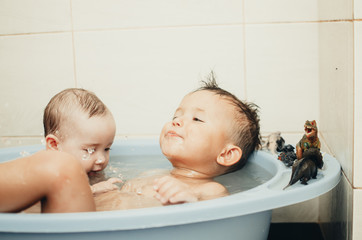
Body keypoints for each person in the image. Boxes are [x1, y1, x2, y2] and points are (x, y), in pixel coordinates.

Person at [95, 75, 261, 210]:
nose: (177, 121)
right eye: (176, 116)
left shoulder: (210, 189)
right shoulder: (150, 174)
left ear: (226, 154)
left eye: (197, 119)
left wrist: (190, 197)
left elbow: (220, 214)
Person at [0, 88, 121, 213]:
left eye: (107, 148)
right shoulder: (45, 172)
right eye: (90, 150)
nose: (101, 159)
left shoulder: (92, 172)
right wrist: (92, 191)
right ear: (54, 145)